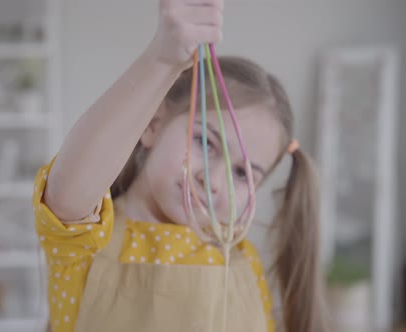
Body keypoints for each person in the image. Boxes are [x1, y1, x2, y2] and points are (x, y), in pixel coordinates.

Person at [33, 0, 325, 331]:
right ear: (154, 124)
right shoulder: (89, 238)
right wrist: (161, 60)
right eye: (205, 142)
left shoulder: (243, 263)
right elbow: (66, 196)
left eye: (242, 173)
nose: (213, 181)